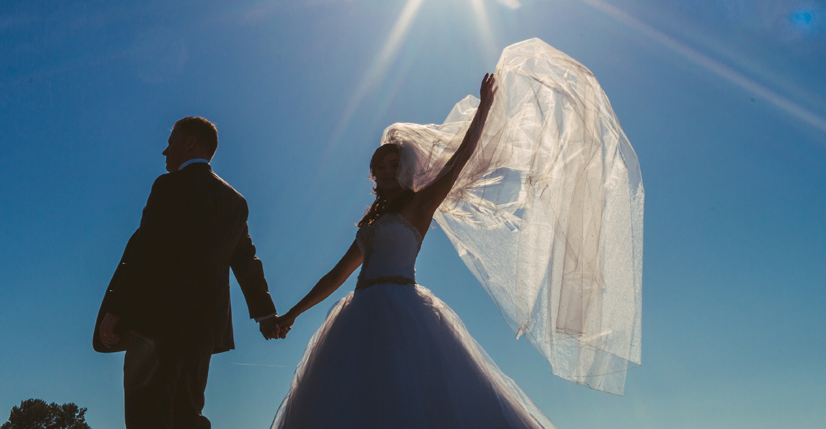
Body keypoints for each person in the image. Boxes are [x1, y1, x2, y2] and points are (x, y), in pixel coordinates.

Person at [267, 73, 555, 428]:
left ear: (405, 169)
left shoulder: (419, 205)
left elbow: (462, 156)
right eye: (380, 167)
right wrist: (292, 313)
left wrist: (485, 108)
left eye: (394, 165)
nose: (387, 172)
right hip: (358, 314)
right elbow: (336, 276)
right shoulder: (369, 225)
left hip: (403, 311)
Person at [94, 116, 280, 429]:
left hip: (154, 326)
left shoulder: (169, 186)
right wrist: (265, 314)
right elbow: (247, 260)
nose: (165, 152)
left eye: (170, 143)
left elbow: (146, 253)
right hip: (204, 331)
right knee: (186, 415)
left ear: (190, 142)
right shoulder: (235, 201)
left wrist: (116, 310)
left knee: (146, 416)